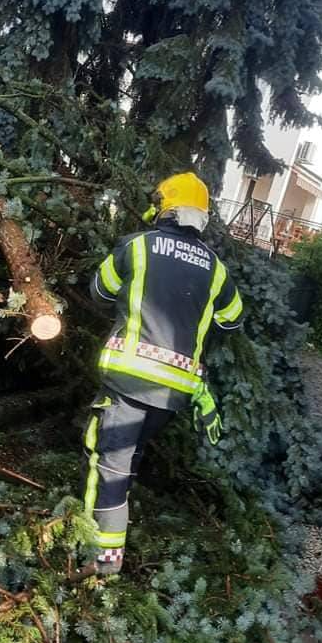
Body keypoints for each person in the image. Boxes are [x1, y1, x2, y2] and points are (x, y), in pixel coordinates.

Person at [83, 172, 244, 576]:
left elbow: (99, 291)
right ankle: (106, 550)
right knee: (129, 460)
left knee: (109, 471)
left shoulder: (137, 247)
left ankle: (101, 564)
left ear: (163, 207)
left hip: (126, 384)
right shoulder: (216, 269)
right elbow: (232, 319)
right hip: (173, 395)